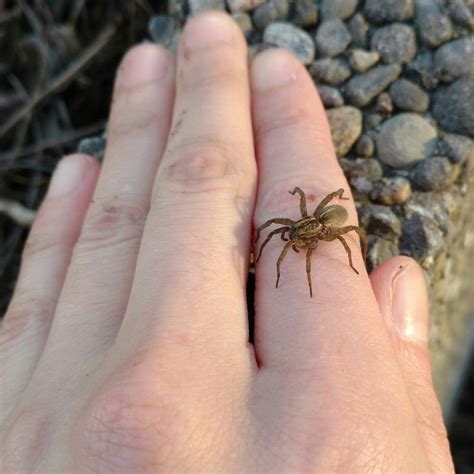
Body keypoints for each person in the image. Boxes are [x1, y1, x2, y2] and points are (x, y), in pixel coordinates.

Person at [0, 11, 454, 472]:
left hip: (328, 219)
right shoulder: (291, 228)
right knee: (284, 221)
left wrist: (341, 267)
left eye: (301, 236)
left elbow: (341, 226)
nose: (295, 239)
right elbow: (286, 222)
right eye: (295, 235)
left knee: (339, 230)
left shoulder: (321, 232)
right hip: (312, 217)